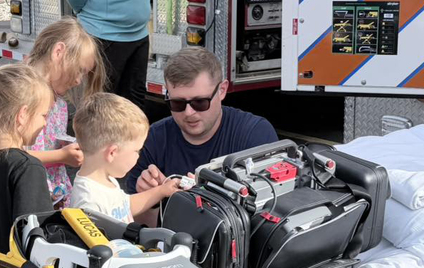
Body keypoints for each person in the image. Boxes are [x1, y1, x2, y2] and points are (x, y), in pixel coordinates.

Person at [127, 47, 278, 210]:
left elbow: (272, 215)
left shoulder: (255, 135)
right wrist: (151, 198)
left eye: (199, 102)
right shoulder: (153, 139)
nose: (189, 112)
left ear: (222, 91)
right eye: (177, 103)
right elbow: (138, 226)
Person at [0, 64, 55, 254]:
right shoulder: (28, 167)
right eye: (43, 115)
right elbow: (37, 241)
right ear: (22, 115)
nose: (45, 123)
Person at [25, 18, 107, 208]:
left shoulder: (59, 104)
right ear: (58, 52)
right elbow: (17, 157)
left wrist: (66, 148)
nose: (79, 81)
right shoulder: (25, 98)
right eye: (79, 70)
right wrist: (62, 155)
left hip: (54, 197)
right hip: (34, 198)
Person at [71, 92, 181, 223]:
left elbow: (125, 206)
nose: (138, 156)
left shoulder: (106, 179)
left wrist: (162, 190)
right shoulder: (88, 203)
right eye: (136, 150)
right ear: (112, 153)